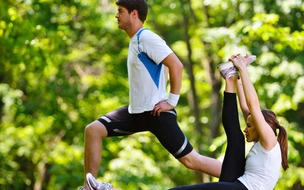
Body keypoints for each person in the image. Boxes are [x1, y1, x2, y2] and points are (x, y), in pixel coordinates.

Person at [80, 0, 222, 189]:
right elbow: (162, 68)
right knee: (93, 130)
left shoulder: (146, 37)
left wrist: (170, 101)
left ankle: (242, 176)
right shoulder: (135, 41)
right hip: (136, 113)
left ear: (134, 14)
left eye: (120, 11)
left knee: (191, 161)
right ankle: (89, 187)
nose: (116, 15)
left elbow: (176, 66)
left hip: (156, 114)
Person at [168, 54, 289, 190]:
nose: (246, 129)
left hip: (244, 188)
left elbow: (253, 105)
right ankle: (230, 78)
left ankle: (231, 76)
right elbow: (245, 106)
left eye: (249, 126)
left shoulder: (270, 141)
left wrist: (243, 68)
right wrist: (238, 77)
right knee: (236, 137)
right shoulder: (262, 143)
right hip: (238, 183)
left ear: (262, 126)